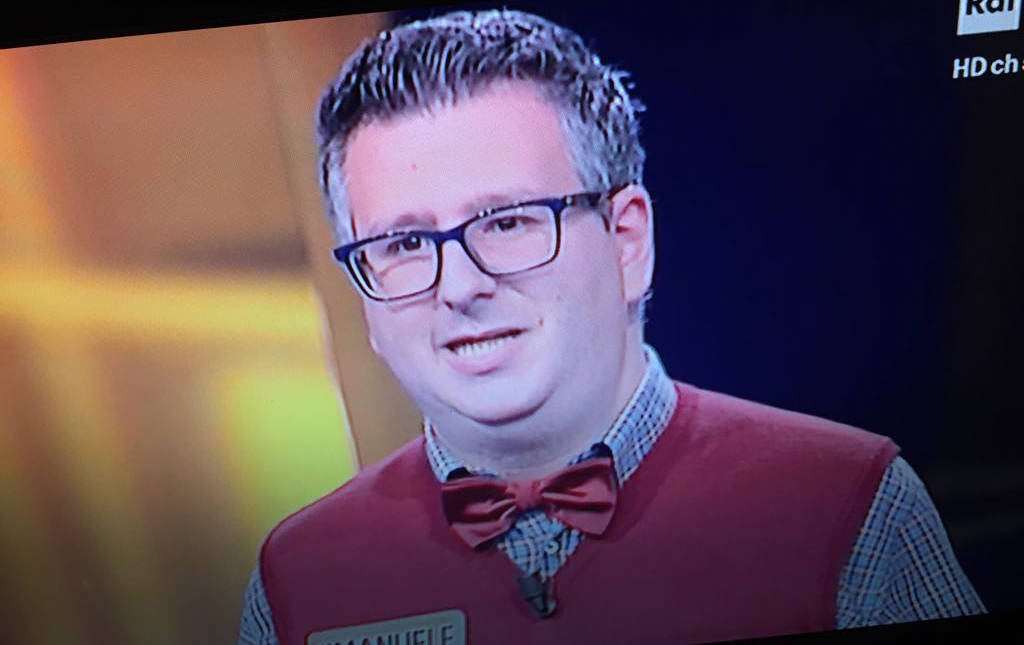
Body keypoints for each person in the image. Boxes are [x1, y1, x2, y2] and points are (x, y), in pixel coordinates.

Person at [238, 9, 984, 644]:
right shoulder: (297, 578)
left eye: (507, 221)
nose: (460, 287)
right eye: (403, 244)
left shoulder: (847, 505)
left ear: (627, 240)